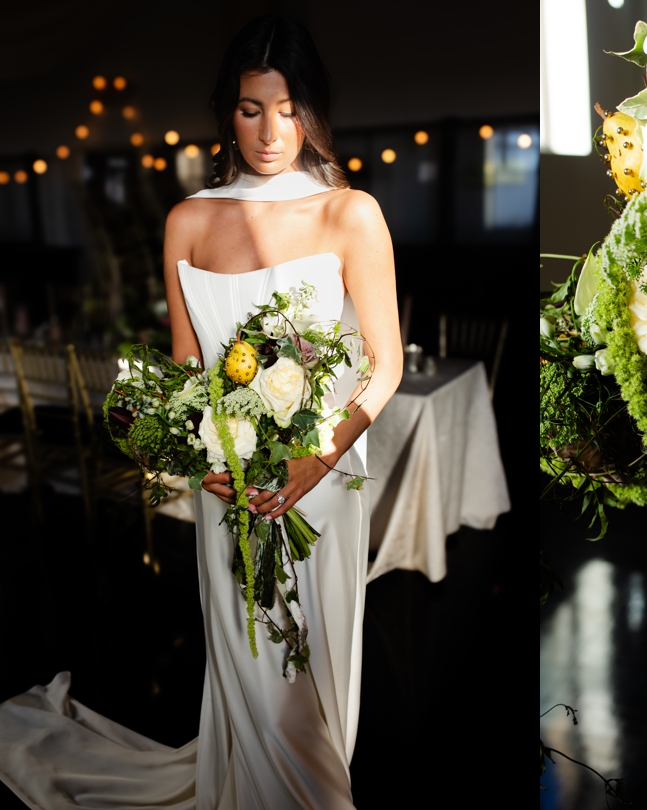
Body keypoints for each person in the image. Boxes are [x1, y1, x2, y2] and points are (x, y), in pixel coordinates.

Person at [0, 15, 401, 808]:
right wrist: (204, 462)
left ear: (311, 110)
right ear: (228, 112)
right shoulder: (188, 219)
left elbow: (384, 366)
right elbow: (188, 375)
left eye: (287, 109)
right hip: (227, 482)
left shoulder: (351, 213)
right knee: (252, 663)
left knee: (310, 669)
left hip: (319, 477)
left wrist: (313, 457)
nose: (270, 131)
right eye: (251, 109)